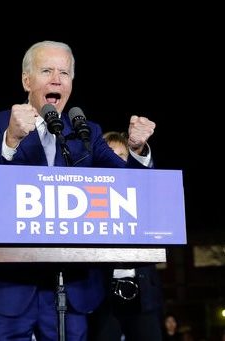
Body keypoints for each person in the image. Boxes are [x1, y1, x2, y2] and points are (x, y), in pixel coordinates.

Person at [0, 40, 156, 340]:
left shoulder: (86, 132)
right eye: (46, 71)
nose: (56, 79)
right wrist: (11, 140)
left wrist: (137, 149)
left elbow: (127, 186)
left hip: (71, 283)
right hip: (9, 285)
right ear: (27, 80)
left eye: (64, 73)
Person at [87, 131, 163, 341]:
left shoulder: (142, 195)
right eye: (109, 154)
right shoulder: (84, 198)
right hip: (101, 295)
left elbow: (151, 180)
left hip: (144, 293)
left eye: (122, 155)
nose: (115, 160)